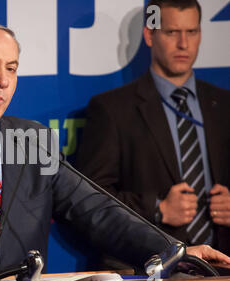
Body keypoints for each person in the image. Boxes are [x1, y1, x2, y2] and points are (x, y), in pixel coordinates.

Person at [0, 20, 230, 281]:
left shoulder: (34, 140)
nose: (3, 81)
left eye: (11, 68)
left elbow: (99, 212)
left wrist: (174, 250)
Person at [76, 0, 230, 257]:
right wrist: (157, 208)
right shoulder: (112, 110)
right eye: (171, 32)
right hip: (151, 269)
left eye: (191, 32)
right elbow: (90, 201)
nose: (184, 44)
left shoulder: (225, 104)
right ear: (149, 35)